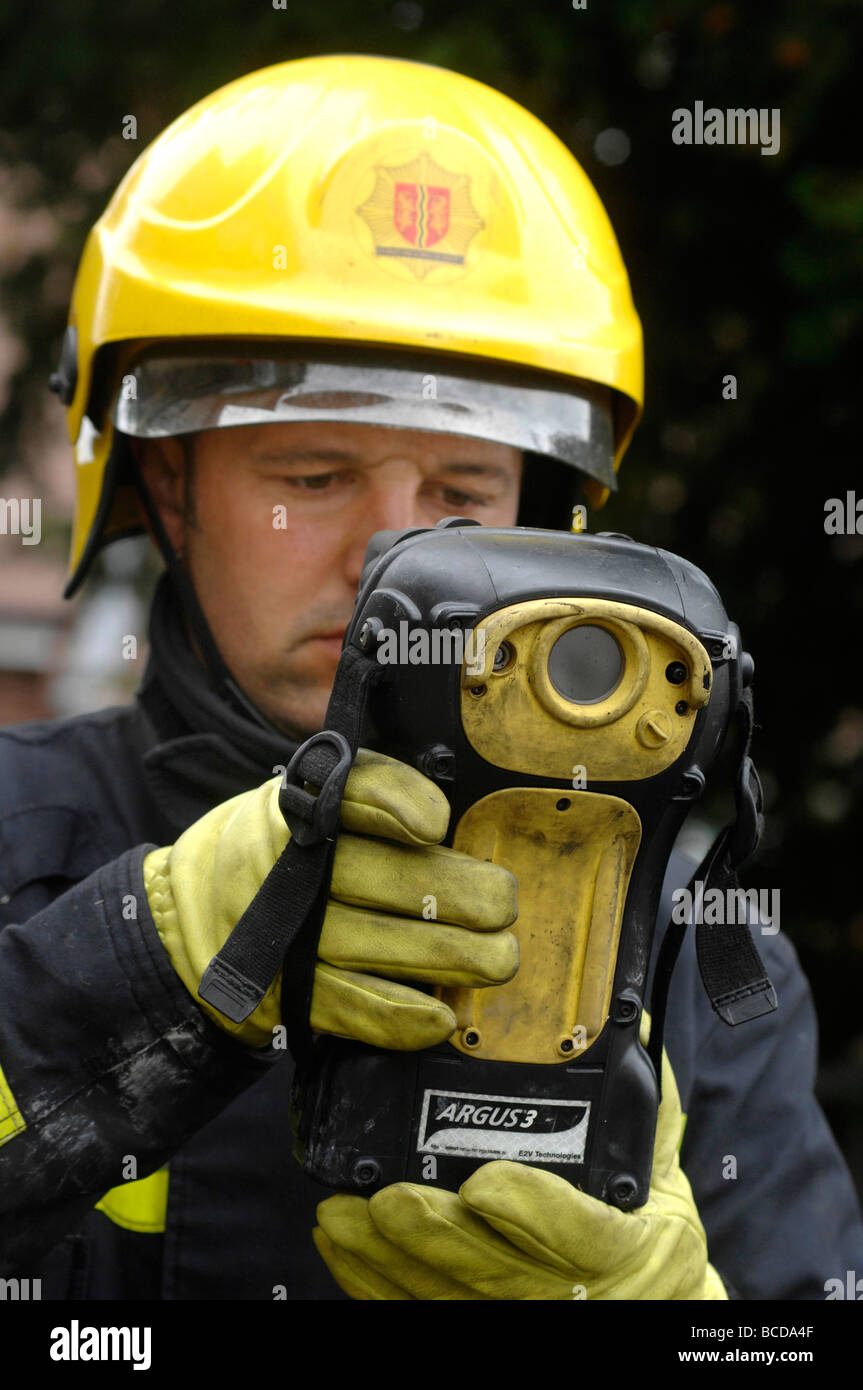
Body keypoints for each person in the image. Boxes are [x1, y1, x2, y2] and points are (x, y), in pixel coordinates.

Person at [1, 54, 860, 1301]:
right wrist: (151, 965)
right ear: (166, 488)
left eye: (462, 494)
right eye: (312, 477)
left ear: (552, 514)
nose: (392, 554)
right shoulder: (17, 846)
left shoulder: (697, 950)